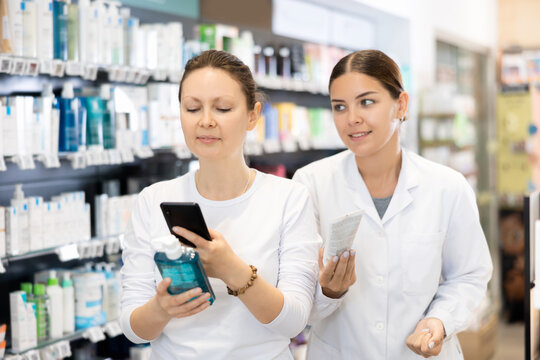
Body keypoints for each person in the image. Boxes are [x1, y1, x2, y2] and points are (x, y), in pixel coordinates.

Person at [119, 50, 320, 359]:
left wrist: (232, 270)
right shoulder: (153, 200)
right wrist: (161, 309)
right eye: (192, 108)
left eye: (223, 108)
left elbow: (294, 322)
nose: (206, 121)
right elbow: (133, 330)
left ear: (253, 115)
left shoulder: (289, 199)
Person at [292, 49, 493, 359]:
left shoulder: (447, 187)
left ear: (401, 104)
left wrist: (439, 321)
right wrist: (329, 291)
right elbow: (296, 296)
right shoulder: (311, 184)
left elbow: (468, 275)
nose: (352, 118)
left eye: (367, 102)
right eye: (339, 107)